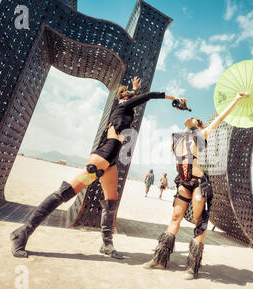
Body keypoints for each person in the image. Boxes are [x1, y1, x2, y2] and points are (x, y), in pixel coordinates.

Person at [10, 76, 187, 260]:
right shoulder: (124, 105)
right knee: (66, 193)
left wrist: (133, 88)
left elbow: (131, 98)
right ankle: (22, 233)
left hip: (109, 162)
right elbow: (150, 95)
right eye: (130, 96)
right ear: (125, 98)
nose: (132, 99)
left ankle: (107, 244)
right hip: (102, 159)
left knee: (111, 201)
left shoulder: (123, 107)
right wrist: (175, 98)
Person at [143, 92, 248, 279]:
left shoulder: (202, 134)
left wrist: (236, 99)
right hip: (183, 182)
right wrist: (178, 104)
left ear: (201, 126)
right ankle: (160, 259)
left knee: (200, 222)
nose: (193, 119)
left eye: (197, 120)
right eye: (191, 118)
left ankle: (192, 266)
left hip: (199, 184)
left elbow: (222, 116)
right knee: (175, 217)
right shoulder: (177, 137)